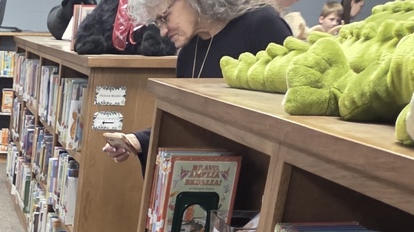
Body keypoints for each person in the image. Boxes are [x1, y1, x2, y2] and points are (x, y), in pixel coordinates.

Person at [101, 0, 291, 168]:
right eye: (158, 22)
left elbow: (289, 109)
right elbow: (186, 123)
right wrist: (137, 140)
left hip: (259, 172)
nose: (163, 31)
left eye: (165, 17)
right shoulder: (188, 52)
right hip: (210, 176)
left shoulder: (261, 25)